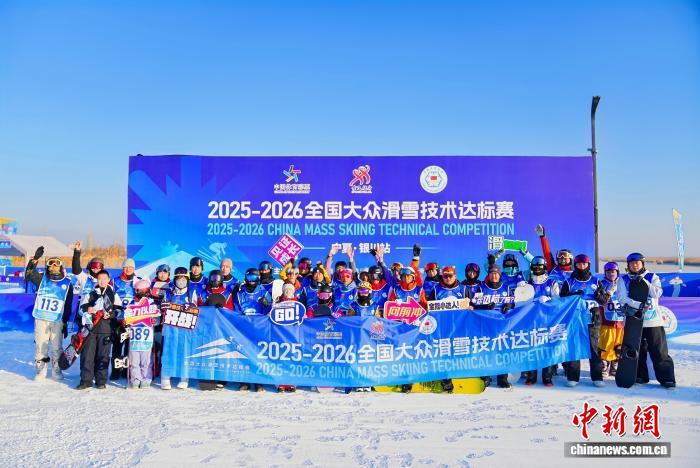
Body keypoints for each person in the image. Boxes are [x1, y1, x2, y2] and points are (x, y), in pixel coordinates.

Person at [617, 253, 675, 388]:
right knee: (636, 350)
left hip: (653, 321)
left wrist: (645, 283)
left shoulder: (652, 277)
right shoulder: (624, 279)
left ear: (642, 264)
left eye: (637, 263)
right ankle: (639, 376)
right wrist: (638, 305)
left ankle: (667, 379)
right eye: (631, 263)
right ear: (628, 265)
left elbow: (657, 293)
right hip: (634, 321)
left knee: (659, 351)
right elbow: (621, 298)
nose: (634, 265)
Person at [24, 247, 75, 381]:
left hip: (57, 320)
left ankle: (56, 369)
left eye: (56, 263)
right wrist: (34, 260)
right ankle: (41, 369)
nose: (53, 266)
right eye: (50, 263)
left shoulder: (67, 283)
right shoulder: (42, 279)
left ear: (61, 266)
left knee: (57, 347)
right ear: (47, 266)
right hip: (42, 318)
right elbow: (29, 274)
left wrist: (65, 322)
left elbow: (68, 304)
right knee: (41, 345)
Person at [560, 254, 605, 387]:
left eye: (584, 264)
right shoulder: (569, 282)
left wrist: (599, 297)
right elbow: (562, 299)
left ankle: (597, 377)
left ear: (588, 265)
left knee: (594, 347)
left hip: (592, 317)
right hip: (575, 317)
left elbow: (603, 300)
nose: (581, 266)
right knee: (575, 345)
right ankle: (573, 377)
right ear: (575, 265)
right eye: (579, 264)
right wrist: (572, 295)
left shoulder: (596, 281)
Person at [77, 270, 122, 390]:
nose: (102, 281)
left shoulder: (113, 295)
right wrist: (88, 309)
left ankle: (101, 381)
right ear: (97, 280)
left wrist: (111, 315)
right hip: (90, 330)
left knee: (103, 356)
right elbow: (81, 309)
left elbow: (119, 310)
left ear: (108, 280)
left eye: (104, 279)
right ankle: (85, 381)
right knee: (87, 356)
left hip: (106, 329)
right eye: (99, 279)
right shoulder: (90, 294)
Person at [472, 264, 514, 389]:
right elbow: (474, 304)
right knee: (486, 350)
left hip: (502, 325)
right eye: (491, 273)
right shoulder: (481, 288)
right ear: (488, 275)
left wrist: (508, 306)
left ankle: (502, 378)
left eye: (496, 273)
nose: (493, 276)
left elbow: (513, 303)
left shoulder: (506, 288)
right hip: (486, 324)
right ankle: (485, 376)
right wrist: (485, 306)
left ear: (499, 275)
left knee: (502, 350)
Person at [523, 256, 560, 386]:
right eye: (535, 266)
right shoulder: (527, 283)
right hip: (531, 320)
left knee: (547, 348)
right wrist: (522, 292)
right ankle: (531, 376)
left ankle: (547, 377)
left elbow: (558, 301)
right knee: (531, 348)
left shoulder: (552, 283)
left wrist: (549, 300)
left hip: (547, 320)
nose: (538, 268)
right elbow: (521, 302)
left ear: (545, 268)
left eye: (540, 266)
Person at [160, 267, 198, 391]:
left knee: (184, 351)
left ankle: (184, 377)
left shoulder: (191, 293)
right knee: (169, 351)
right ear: (174, 279)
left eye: (183, 279)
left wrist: (192, 306)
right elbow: (162, 306)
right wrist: (163, 307)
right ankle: (166, 377)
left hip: (185, 328)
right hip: (171, 327)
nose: (181, 281)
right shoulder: (169, 293)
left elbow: (197, 308)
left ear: (187, 279)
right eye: (178, 278)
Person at [122, 280, 159, 389]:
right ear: (136, 291)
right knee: (134, 360)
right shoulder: (132, 304)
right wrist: (126, 322)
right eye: (140, 290)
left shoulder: (151, 303)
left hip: (147, 337)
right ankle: (135, 379)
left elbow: (156, 318)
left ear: (148, 290)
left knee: (146, 360)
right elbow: (126, 318)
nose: (142, 293)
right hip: (134, 337)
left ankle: (146, 378)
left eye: (145, 290)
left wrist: (154, 321)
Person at [110, 258, 142, 381]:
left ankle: (126, 370)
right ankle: (115, 371)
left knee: (130, 347)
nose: (128, 269)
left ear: (134, 268)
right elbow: (109, 299)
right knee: (117, 346)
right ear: (123, 268)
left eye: (131, 267)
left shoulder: (138, 281)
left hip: (133, 320)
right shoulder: (115, 281)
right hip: (118, 319)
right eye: (126, 267)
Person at [596, 262, 625, 377]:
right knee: (606, 342)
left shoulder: (623, 283)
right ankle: (604, 364)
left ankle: (615, 364)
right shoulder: (601, 284)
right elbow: (600, 301)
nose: (611, 274)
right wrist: (609, 293)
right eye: (608, 272)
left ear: (617, 272)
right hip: (606, 319)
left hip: (621, 319)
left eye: (613, 271)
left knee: (619, 343)